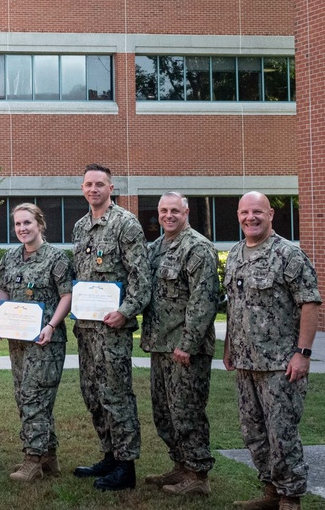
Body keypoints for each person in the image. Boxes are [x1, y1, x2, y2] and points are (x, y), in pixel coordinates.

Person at [223, 192, 321, 510]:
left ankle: (290, 497)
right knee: (253, 431)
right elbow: (234, 307)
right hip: (246, 362)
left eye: (257, 212)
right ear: (238, 215)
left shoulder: (288, 255)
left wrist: (302, 353)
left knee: (282, 432)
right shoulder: (236, 254)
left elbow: (309, 302)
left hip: (281, 363)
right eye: (244, 212)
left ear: (270, 215)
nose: (250, 218)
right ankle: (271, 491)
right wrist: (228, 348)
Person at [70, 164, 151, 491]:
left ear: (111, 187)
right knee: (92, 394)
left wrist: (125, 311)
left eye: (100, 184)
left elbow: (141, 278)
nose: (94, 189)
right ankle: (109, 454)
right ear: (82, 188)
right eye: (89, 184)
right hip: (86, 329)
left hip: (112, 330)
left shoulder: (125, 224)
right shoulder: (80, 226)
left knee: (116, 395)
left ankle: (126, 466)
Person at [140, 192, 219, 496]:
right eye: (163, 210)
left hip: (185, 349)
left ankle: (198, 474)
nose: (168, 215)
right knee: (164, 413)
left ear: (186, 212)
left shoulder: (197, 248)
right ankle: (181, 465)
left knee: (187, 411)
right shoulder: (157, 247)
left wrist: (187, 343)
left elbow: (203, 301)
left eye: (175, 210)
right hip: (161, 346)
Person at [0, 203, 73, 482]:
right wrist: (0, 319)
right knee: (24, 394)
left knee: (35, 397)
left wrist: (52, 325)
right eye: (17, 224)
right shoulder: (11, 257)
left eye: (27, 223)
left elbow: (67, 295)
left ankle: (32, 459)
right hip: (17, 341)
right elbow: (3, 288)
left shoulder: (57, 258)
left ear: (40, 224)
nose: (22, 229)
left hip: (46, 341)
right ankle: (49, 455)